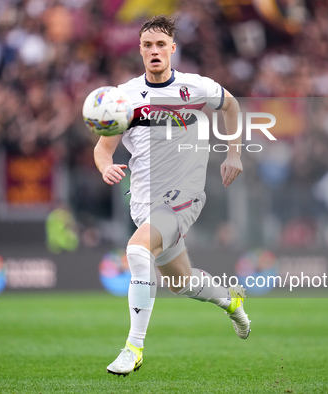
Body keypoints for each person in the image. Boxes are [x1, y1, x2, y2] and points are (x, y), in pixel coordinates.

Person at [93, 15, 250, 377]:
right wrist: (105, 167)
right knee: (181, 283)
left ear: (173, 49)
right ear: (140, 50)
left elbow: (231, 106)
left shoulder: (196, 87)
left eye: (161, 44)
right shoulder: (126, 97)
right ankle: (231, 301)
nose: (154, 51)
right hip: (145, 202)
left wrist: (234, 153)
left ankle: (133, 347)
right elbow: (104, 149)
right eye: (147, 45)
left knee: (136, 250)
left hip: (184, 196)